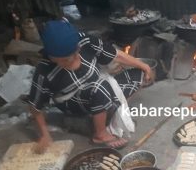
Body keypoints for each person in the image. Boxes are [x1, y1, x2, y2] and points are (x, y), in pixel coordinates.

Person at [28, 18, 153, 151]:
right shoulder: (45, 71)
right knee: (99, 88)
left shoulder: (85, 41)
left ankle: (108, 113)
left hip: (98, 88)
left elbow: (116, 55)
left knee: (138, 74)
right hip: (74, 102)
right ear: (52, 57)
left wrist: (144, 66)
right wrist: (44, 134)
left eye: (77, 53)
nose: (77, 59)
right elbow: (35, 107)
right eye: (67, 60)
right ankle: (100, 134)